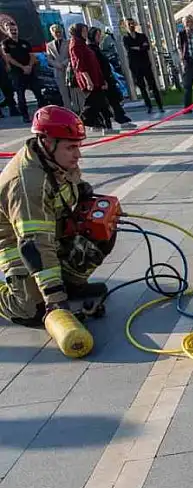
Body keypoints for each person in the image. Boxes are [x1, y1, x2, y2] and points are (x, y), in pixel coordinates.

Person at [0, 106, 109, 326]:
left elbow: (70, 184)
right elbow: (34, 246)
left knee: (100, 229)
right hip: (17, 245)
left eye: (78, 146)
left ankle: (71, 285)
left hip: (51, 231)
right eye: (71, 148)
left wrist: (83, 191)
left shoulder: (56, 159)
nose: (78, 154)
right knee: (33, 311)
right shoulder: (27, 185)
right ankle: (19, 296)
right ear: (47, 141)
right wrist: (56, 301)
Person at [69, 23, 114, 134]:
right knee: (92, 105)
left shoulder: (83, 44)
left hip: (95, 78)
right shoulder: (76, 45)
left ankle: (107, 127)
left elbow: (94, 63)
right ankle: (76, 123)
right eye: (83, 31)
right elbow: (80, 66)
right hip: (88, 80)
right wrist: (88, 81)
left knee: (102, 103)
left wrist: (101, 80)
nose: (85, 33)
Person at [1, 22, 45, 123]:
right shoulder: (5, 44)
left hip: (30, 72)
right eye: (11, 30)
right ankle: (25, 116)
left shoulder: (25, 42)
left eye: (15, 29)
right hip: (17, 73)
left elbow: (32, 56)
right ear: (7, 31)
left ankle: (43, 114)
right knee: (21, 96)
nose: (14, 32)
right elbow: (8, 58)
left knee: (39, 93)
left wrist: (29, 66)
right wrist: (22, 67)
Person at [88, 28, 132, 127]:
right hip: (102, 79)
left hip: (108, 77)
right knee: (107, 101)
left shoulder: (97, 48)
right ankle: (110, 121)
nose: (99, 37)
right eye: (97, 35)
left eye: (100, 35)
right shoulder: (92, 49)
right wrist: (102, 80)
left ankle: (120, 117)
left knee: (114, 99)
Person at [123, 18, 164, 115]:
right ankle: (149, 106)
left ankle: (160, 105)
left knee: (152, 85)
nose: (131, 26)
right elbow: (129, 49)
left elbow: (146, 47)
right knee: (142, 87)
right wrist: (140, 47)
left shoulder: (142, 36)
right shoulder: (126, 38)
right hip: (135, 66)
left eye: (133, 24)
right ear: (126, 26)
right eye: (129, 24)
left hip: (145, 64)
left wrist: (138, 47)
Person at [46, 24, 76, 113]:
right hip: (58, 71)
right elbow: (49, 58)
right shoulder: (49, 45)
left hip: (69, 70)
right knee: (64, 93)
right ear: (52, 33)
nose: (58, 34)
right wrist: (57, 65)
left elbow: (72, 55)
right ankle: (68, 111)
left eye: (59, 32)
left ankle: (77, 109)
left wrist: (64, 63)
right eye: (55, 32)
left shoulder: (69, 42)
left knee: (73, 91)